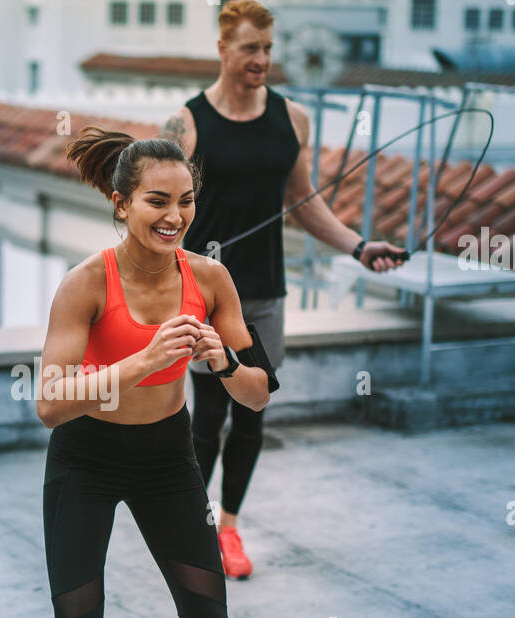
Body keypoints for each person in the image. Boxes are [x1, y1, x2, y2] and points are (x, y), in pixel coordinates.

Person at [33, 125, 277, 618]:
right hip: (84, 460)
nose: (175, 217)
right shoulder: (85, 284)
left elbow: (257, 395)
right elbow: (50, 404)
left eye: (186, 201)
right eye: (157, 202)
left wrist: (223, 360)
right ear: (121, 205)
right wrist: (140, 363)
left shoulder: (211, 279)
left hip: (167, 463)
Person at [162, 0, 405, 578]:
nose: (262, 60)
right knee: (207, 417)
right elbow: (162, 213)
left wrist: (357, 246)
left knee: (253, 411)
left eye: (269, 49)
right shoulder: (186, 124)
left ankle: (229, 530)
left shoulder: (292, 118)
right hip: (205, 294)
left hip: (265, 293)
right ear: (223, 49)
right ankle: (191, 532)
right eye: (250, 48)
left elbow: (304, 204)